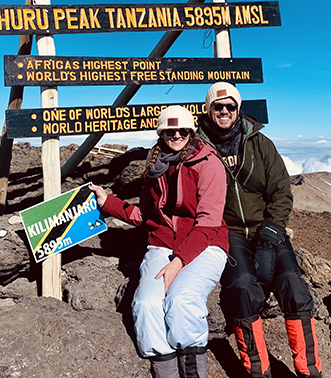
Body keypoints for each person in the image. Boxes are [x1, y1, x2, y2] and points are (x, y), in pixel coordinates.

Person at [91, 105, 229, 378]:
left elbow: (208, 222)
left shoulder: (208, 163)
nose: (176, 135)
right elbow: (145, 215)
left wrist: (178, 263)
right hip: (162, 244)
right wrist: (109, 203)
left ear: (191, 132)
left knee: (182, 300)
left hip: (206, 244)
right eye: (169, 130)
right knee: (146, 305)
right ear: (161, 133)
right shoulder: (156, 167)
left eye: (182, 130)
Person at [196, 82, 322, 378]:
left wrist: (273, 230)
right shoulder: (199, 148)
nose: (224, 111)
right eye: (218, 106)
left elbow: (281, 189)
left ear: (238, 110)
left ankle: (309, 371)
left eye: (230, 106)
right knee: (241, 287)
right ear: (208, 109)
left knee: (294, 286)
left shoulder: (259, 143)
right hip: (228, 231)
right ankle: (258, 370)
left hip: (267, 227)